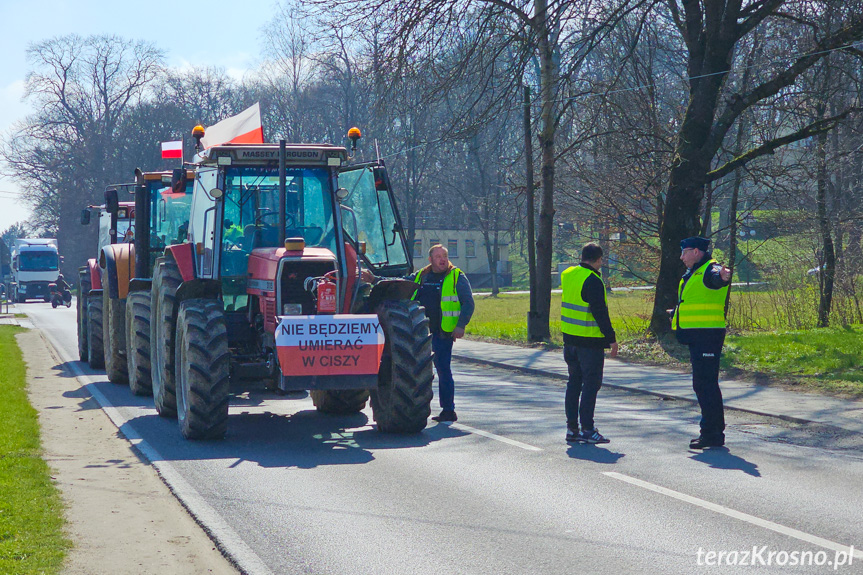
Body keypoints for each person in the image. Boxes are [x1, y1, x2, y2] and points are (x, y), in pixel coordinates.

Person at [672, 236, 732, 450]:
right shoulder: (694, 273)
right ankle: (711, 432)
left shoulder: (710, 268)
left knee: (706, 385)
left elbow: (717, 278)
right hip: (698, 337)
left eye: (684, 252)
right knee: (703, 385)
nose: (681, 257)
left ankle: (712, 433)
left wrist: (723, 277)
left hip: (708, 337)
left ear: (696, 251)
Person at [560, 243, 618, 444]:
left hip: (569, 340)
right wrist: (611, 339)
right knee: (591, 385)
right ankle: (588, 429)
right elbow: (600, 313)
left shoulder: (568, 275)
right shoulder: (593, 280)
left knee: (573, 383)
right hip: (589, 342)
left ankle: (572, 428)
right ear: (598, 260)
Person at [410, 244, 475, 422]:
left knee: (443, 370)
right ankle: (416, 409)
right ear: (430, 259)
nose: (442, 259)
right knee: (417, 373)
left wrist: (461, 325)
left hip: (442, 334)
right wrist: (375, 278)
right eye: (438, 256)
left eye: (445, 255)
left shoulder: (456, 276)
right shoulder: (421, 275)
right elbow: (402, 282)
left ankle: (448, 410)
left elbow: (468, 303)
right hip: (419, 335)